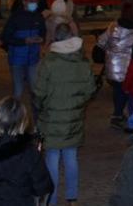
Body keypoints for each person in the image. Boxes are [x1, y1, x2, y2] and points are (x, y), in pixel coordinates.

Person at [33, 23, 96, 205]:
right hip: (73, 117)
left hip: (51, 117)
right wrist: (78, 104)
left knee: (52, 157)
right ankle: (72, 197)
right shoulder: (82, 62)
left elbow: (39, 92)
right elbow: (90, 89)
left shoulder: (48, 62)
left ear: (56, 38)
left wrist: (41, 106)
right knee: (71, 156)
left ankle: (51, 200)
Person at [99, 2, 133, 129]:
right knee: (131, 92)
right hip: (130, 67)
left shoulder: (113, 26)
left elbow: (101, 42)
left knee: (118, 91)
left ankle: (117, 115)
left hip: (114, 66)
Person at [1, 0, 46, 102]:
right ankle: (14, 115)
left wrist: (41, 38)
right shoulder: (15, 17)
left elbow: (43, 32)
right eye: (31, 1)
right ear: (24, 2)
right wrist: (24, 41)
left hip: (33, 58)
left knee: (35, 89)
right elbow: (5, 37)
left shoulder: (38, 17)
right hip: (17, 59)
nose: (33, 3)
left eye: (36, 1)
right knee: (18, 90)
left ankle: (37, 116)